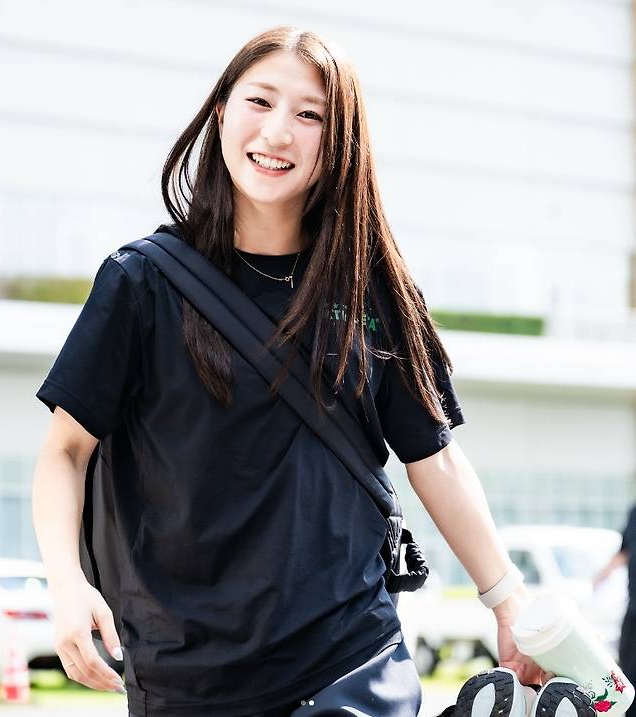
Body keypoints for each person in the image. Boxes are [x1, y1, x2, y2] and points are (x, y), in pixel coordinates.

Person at [31, 25, 550, 717]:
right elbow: (65, 451)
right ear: (222, 112)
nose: (278, 131)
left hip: (348, 652)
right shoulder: (142, 282)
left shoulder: (373, 291)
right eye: (260, 101)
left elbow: (434, 456)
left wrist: (509, 602)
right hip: (190, 669)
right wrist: (65, 584)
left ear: (339, 144)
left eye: (311, 115)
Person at [594, 504, 636, 717]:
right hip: (633, 609)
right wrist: (603, 573)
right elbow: (625, 550)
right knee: (628, 672)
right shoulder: (635, 512)